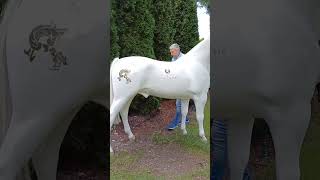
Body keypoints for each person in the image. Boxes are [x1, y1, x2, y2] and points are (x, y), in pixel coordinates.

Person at [166, 43, 190, 130]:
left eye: (172, 52)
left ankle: (175, 123)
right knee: (180, 103)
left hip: (184, 86)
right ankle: (185, 119)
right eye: (170, 52)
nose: (171, 54)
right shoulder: (174, 58)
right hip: (177, 84)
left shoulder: (184, 59)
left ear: (177, 50)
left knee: (179, 104)